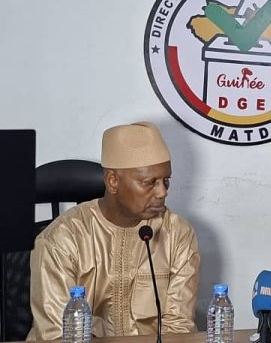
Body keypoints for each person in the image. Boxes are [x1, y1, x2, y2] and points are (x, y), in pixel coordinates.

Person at [27, 122, 200, 340]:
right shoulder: (61, 239)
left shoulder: (177, 234)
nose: (162, 192)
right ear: (112, 181)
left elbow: (179, 328)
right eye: (150, 182)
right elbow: (58, 335)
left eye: (166, 181)